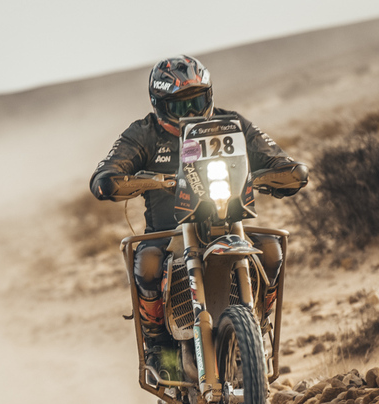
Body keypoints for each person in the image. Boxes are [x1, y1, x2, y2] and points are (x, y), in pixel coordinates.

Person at [90, 55, 307, 372]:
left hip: (227, 222)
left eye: (198, 101)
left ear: (210, 95)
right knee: (147, 264)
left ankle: (258, 325)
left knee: (272, 252)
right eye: (181, 106)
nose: (191, 113)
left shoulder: (231, 125)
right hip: (168, 234)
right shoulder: (143, 134)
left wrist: (288, 172)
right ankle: (159, 347)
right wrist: (113, 180)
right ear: (159, 105)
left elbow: (278, 159)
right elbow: (105, 174)